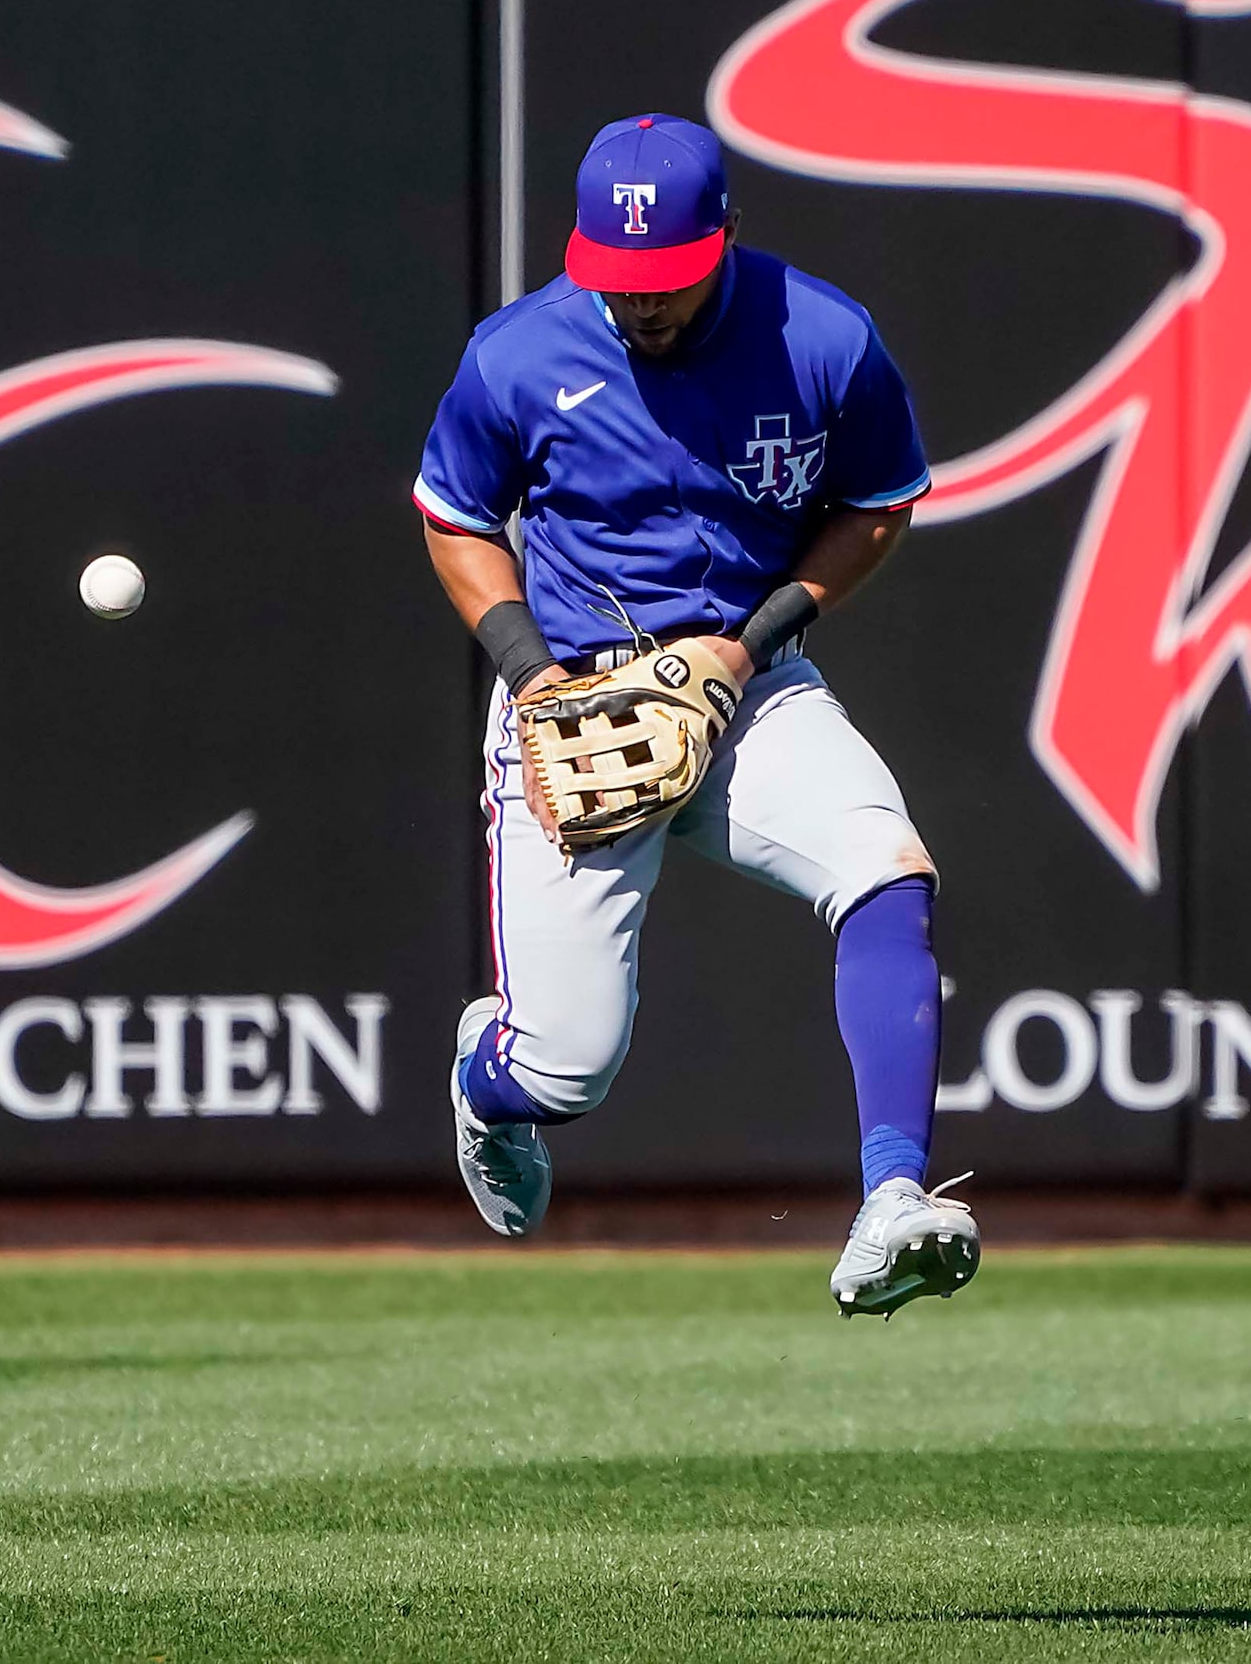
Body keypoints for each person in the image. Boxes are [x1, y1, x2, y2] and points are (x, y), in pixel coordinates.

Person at [412, 112, 978, 1316]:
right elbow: (455, 515)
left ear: (722, 238)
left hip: (747, 686)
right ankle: (488, 1073)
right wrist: (529, 672)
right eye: (620, 279)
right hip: (575, 702)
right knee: (569, 1071)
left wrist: (747, 645)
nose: (644, 303)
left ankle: (892, 1200)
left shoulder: (821, 338)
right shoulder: (518, 353)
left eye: (665, 277)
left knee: (887, 866)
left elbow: (877, 504)